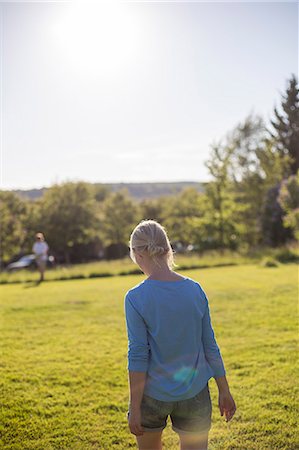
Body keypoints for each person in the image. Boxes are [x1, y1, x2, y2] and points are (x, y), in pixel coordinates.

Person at [124, 220, 236, 450]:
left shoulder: (135, 297)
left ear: (136, 254)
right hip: (194, 393)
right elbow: (210, 345)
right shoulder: (195, 290)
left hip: (152, 396)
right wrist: (224, 389)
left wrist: (135, 408)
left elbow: (138, 355)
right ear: (167, 249)